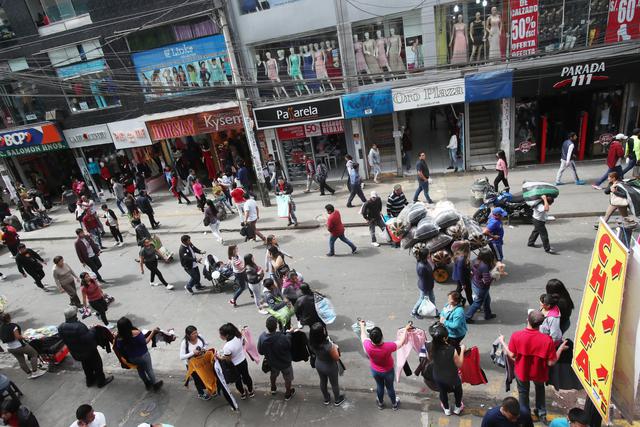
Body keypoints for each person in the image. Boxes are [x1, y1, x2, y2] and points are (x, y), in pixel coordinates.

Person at [499, 311, 568, 425]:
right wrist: (560, 349)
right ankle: (541, 413)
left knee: (523, 392)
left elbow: (512, 355)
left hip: (522, 371)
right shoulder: (547, 340)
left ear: (527, 320)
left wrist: (502, 342)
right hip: (539, 372)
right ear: (540, 324)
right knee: (540, 390)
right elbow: (551, 362)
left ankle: (525, 414)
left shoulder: (516, 335)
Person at [359, 320, 410, 410]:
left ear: (371, 338)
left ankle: (380, 403)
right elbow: (401, 342)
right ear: (382, 336)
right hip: (388, 371)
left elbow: (363, 335)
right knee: (390, 387)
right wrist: (406, 329)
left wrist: (362, 325)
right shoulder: (388, 346)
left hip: (375, 371)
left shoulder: (367, 345)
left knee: (379, 386)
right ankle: (394, 404)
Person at [58, 307, 114, 388]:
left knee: (86, 366)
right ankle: (101, 381)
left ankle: (90, 381)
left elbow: (64, 339)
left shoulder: (61, 327)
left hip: (76, 352)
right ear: (74, 316)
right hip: (89, 351)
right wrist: (93, 329)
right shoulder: (79, 326)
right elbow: (89, 338)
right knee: (97, 365)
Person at [115, 317, 163, 391]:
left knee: (140, 370)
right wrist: (153, 332)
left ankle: (147, 383)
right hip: (143, 355)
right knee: (149, 370)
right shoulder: (136, 333)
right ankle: (155, 384)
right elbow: (145, 342)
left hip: (132, 358)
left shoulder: (119, 338)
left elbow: (120, 348)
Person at [429, 323, 465, 415]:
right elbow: (459, 364)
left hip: (438, 376)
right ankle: (457, 407)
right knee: (458, 390)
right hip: (452, 377)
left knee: (442, 391)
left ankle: (447, 409)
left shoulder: (429, 346)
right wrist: (462, 351)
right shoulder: (451, 350)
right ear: (445, 338)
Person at [258, 316, 296, 400]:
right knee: (287, 378)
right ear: (276, 327)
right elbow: (288, 345)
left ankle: (273, 388)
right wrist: (289, 333)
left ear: (266, 326)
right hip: (285, 363)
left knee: (273, 375)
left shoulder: (262, 337)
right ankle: (288, 393)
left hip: (272, 363)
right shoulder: (282, 337)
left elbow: (260, 351)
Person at [308, 322, 345, 406]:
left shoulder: (311, 342)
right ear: (322, 333)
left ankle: (326, 398)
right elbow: (336, 357)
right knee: (334, 384)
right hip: (330, 366)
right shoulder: (328, 346)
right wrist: (335, 347)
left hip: (318, 363)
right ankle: (337, 399)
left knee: (323, 381)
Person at [0, 313, 46, 380]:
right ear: (9, 318)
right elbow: (18, 337)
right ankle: (35, 372)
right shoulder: (13, 326)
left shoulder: (1, 328)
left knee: (21, 361)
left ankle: (29, 374)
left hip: (10, 348)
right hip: (19, 346)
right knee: (34, 354)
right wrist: (25, 337)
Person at [217, 323, 254, 399]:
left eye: (221, 335)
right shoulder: (239, 336)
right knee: (246, 376)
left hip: (234, 365)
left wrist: (219, 357)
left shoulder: (227, 347)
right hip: (243, 361)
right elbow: (243, 344)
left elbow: (228, 359)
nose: (220, 336)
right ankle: (251, 392)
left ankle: (243, 393)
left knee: (237, 380)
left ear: (227, 335)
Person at [465, 248, 498, 323]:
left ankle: (488, 314)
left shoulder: (475, 260)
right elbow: (487, 281)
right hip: (482, 288)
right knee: (477, 303)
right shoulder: (485, 266)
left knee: (487, 300)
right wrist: (494, 276)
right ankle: (467, 317)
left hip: (475, 283)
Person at [179, 325, 211, 400]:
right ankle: (201, 393)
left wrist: (203, 349)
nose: (195, 335)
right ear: (188, 335)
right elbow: (181, 357)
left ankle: (209, 388)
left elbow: (206, 343)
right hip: (192, 365)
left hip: (201, 361)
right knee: (197, 380)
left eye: (196, 332)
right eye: (193, 334)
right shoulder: (184, 343)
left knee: (205, 376)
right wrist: (193, 353)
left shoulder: (199, 336)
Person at [411, 247, 435, 319]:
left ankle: (434, 311)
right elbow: (424, 280)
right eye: (429, 254)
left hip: (429, 285)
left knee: (432, 298)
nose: (430, 255)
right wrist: (425, 290)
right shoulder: (422, 267)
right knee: (422, 299)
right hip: (425, 287)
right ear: (426, 255)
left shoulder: (424, 261)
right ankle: (414, 312)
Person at [452, 240, 473, 305]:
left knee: (458, 290)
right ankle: (472, 305)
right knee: (468, 291)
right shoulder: (462, 259)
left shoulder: (458, 254)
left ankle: (459, 300)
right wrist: (463, 283)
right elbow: (460, 273)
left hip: (459, 277)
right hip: (463, 278)